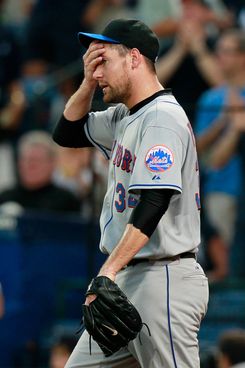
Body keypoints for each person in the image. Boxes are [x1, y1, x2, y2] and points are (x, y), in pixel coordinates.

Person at [53, 18, 209, 368]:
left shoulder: (161, 118)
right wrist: (86, 82)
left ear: (134, 58)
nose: (97, 72)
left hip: (163, 278)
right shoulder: (125, 116)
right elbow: (66, 132)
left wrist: (107, 271)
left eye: (104, 61)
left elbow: (154, 203)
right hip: (131, 277)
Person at [194, 29, 245, 249]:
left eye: (226, 51)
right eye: (218, 51)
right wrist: (224, 121)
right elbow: (196, 147)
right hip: (220, 186)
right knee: (223, 256)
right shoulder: (211, 98)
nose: (219, 56)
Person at [0, 130, 81, 215]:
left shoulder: (67, 201)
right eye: (26, 160)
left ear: (52, 164)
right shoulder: (6, 198)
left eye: (37, 161)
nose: (31, 166)